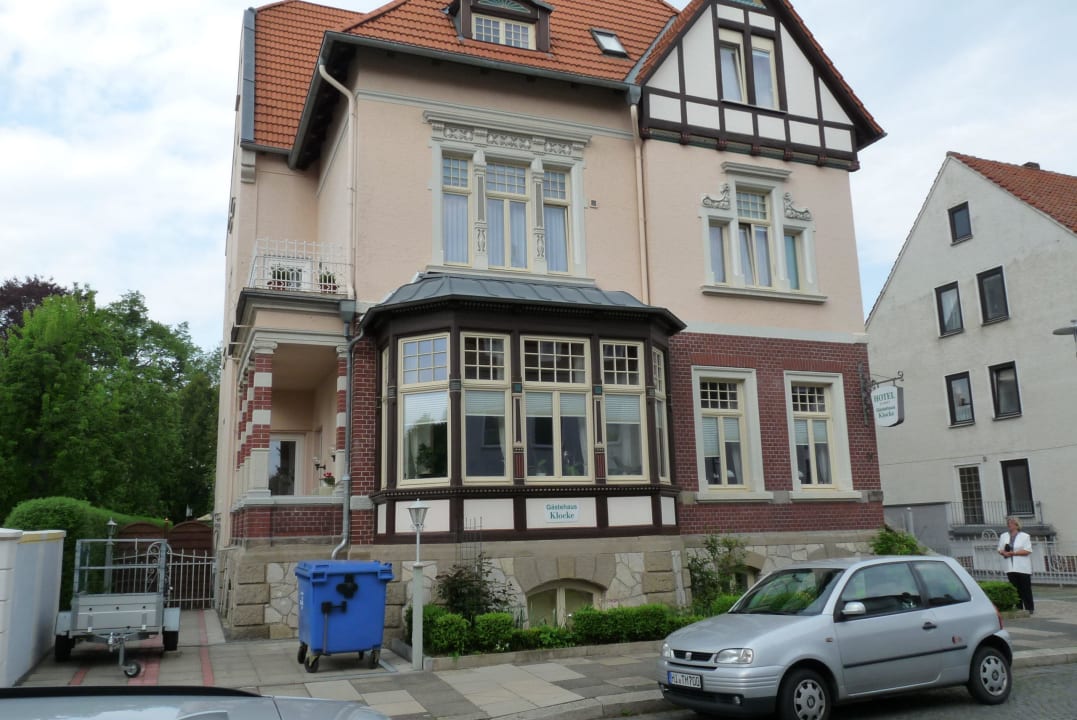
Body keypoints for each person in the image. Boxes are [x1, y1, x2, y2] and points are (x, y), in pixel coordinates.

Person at [997, 516, 1034, 614]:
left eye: (1011, 523)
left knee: (1025, 588)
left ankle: (1029, 607)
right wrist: (1003, 553)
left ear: (1017, 525)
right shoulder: (1004, 536)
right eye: (1008, 523)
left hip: (1022, 567)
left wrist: (1013, 553)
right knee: (1015, 588)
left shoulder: (1025, 536)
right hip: (1010, 567)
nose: (1009, 524)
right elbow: (1000, 548)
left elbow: (1027, 550)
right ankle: (1019, 607)